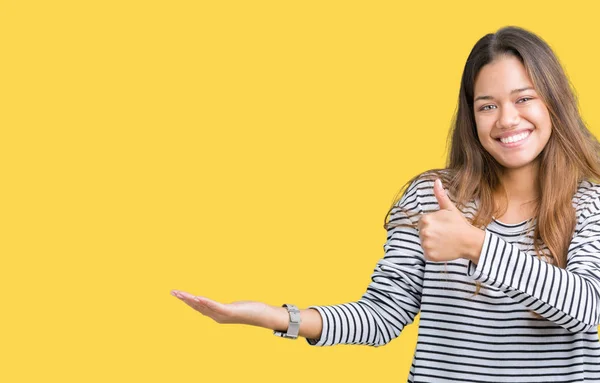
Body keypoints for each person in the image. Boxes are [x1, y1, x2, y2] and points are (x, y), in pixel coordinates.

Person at [171, 26, 600, 382]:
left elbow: (587, 308)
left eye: (524, 98)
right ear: (472, 118)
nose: (506, 119)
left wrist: (476, 246)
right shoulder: (432, 198)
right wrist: (281, 318)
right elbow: (382, 316)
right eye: (487, 106)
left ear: (554, 101)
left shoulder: (590, 200)